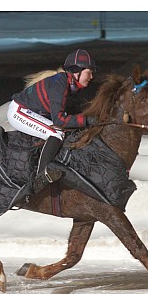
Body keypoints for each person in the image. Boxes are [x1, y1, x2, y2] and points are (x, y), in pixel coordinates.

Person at [7, 49, 97, 194]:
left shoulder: (72, 86)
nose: (92, 77)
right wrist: (86, 120)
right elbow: (59, 120)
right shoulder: (60, 84)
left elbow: (74, 114)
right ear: (77, 71)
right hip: (19, 111)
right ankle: (41, 177)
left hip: (30, 111)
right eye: (89, 72)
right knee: (56, 133)